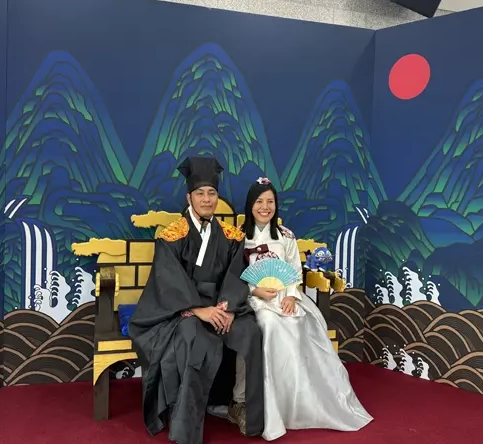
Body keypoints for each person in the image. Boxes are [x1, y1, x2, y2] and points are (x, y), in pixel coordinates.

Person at [130, 156, 264, 444]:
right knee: (193, 335)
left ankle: (240, 405)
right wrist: (197, 309)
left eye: (212, 193)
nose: (206, 199)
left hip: (222, 305)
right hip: (183, 309)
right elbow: (168, 281)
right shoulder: (171, 236)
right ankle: (186, 421)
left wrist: (227, 307)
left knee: (249, 330)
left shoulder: (230, 236)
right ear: (188, 196)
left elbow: (236, 274)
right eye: (200, 193)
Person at [240, 177, 372, 442]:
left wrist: (290, 296)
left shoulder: (286, 236)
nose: (265, 207)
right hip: (255, 300)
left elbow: (294, 271)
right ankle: (270, 407)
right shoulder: (240, 237)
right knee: (268, 324)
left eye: (270, 202)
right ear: (250, 205)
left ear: (276, 205)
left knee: (294, 323)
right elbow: (234, 276)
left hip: (284, 297)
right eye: (259, 202)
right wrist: (254, 291)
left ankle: (297, 402)